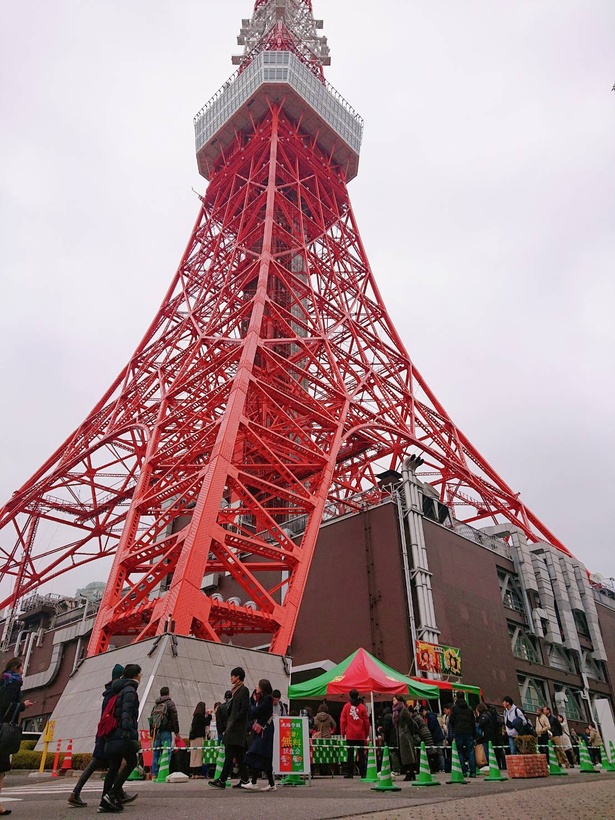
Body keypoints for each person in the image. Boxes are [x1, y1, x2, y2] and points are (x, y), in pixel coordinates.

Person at [68, 664, 137, 808]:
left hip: (105, 732)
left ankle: (113, 795)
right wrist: (126, 730)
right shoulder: (117, 692)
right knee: (102, 763)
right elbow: (123, 713)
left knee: (113, 764)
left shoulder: (110, 691)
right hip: (109, 733)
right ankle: (80, 793)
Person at [99, 663, 142, 813]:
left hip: (112, 734)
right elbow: (126, 712)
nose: (141, 677)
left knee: (114, 766)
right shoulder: (130, 690)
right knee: (132, 762)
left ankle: (104, 801)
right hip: (122, 733)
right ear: (135, 675)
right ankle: (112, 794)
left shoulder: (118, 688)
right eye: (140, 674)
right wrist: (127, 731)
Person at [0, 658, 34, 816]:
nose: (23, 671)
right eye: (21, 668)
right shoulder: (13, 683)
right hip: (4, 730)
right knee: (1, 769)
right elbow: (6, 705)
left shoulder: (4, 681)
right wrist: (22, 706)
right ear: (15, 668)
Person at [209, 666, 250, 789]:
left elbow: (244, 709)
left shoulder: (243, 690)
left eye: (232, 676)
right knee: (238, 755)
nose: (231, 678)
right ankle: (245, 779)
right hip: (233, 728)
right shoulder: (235, 691)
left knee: (230, 754)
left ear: (237, 677)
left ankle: (222, 780)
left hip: (236, 728)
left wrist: (235, 721)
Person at [242, 679, 276, 791]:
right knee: (263, 756)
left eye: (258, 686)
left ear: (263, 687)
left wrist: (250, 704)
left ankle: (255, 782)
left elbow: (254, 712)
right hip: (263, 731)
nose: (256, 687)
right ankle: (270, 783)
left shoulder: (267, 699)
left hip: (264, 731)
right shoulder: (264, 699)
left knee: (256, 752)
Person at [149, 686, 180, 778]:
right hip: (166, 731)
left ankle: (154, 774)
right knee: (167, 752)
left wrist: (152, 732)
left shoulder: (156, 705)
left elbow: (151, 720)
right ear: (168, 693)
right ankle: (164, 771)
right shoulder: (170, 704)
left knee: (156, 753)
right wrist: (176, 731)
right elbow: (174, 718)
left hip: (156, 731)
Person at [340, 689, 370, 778]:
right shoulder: (362, 707)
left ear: (350, 696)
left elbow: (343, 721)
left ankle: (350, 773)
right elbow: (366, 722)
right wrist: (366, 733)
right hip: (360, 734)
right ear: (358, 696)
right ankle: (363, 773)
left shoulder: (346, 706)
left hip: (350, 734)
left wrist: (342, 732)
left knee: (350, 754)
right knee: (361, 755)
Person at [392, 695, 418, 781]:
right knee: (405, 755)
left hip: (405, 735)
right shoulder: (396, 710)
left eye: (394, 700)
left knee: (408, 755)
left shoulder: (403, 709)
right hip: (401, 735)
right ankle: (410, 772)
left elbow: (410, 721)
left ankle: (409, 772)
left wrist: (409, 732)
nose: (393, 702)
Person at [450, 694, 476, 777]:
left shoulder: (454, 708)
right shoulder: (469, 709)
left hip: (459, 732)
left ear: (456, 697)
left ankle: (463, 770)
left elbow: (451, 720)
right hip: (468, 732)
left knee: (460, 751)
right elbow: (473, 722)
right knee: (470, 751)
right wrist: (474, 734)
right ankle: (473, 771)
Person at [188, 702, 212, 777]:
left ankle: (194, 773)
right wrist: (209, 716)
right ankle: (197, 773)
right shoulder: (200, 716)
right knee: (198, 755)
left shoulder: (195, 716)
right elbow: (206, 722)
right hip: (198, 737)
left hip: (193, 738)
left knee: (193, 755)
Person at [420, 705, 444, 772]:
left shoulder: (431, 717)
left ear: (424, 711)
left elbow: (432, 727)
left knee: (439, 752)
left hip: (436, 737)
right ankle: (441, 767)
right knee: (439, 752)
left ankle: (442, 767)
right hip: (437, 736)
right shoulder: (431, 716)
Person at [475, 702, 495, 767]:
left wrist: (478, 717)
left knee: (487, 751)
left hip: (486, 736)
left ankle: (489, 764)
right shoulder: (488, 714)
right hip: (489, 736)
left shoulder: (484, 716)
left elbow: (481, 724)